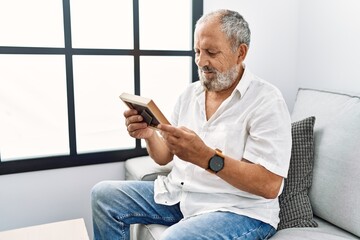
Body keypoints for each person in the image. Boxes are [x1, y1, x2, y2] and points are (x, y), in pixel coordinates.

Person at [91, 9, 292, 240]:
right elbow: (164, 156)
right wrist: (149, 135)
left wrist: (206, 157)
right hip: (182, 195)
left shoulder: (266, 101)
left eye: (211, 52)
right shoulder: (189, 94)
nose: (201, 61)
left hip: (238, 211)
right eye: (197, 51)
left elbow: (269, 185)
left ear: (241, 53)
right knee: (104, 195)